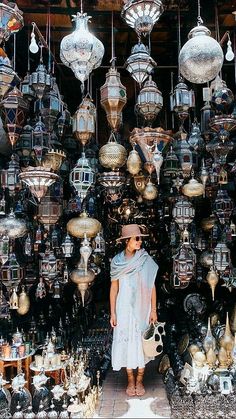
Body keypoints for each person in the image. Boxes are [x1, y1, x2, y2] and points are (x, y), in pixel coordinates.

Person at [110, 224, 158, 397]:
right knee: (127, 343)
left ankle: (140, 379)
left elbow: (151, 285)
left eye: (140, 238)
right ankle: (130, 379)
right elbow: (114, 288)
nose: (139, 241)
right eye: (136, 238)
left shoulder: (145, 259)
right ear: (126, 241)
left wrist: (153, 309)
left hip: (142, 307)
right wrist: (113, 312)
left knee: (140, 342)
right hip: (123, 308)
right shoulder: (116, 262)